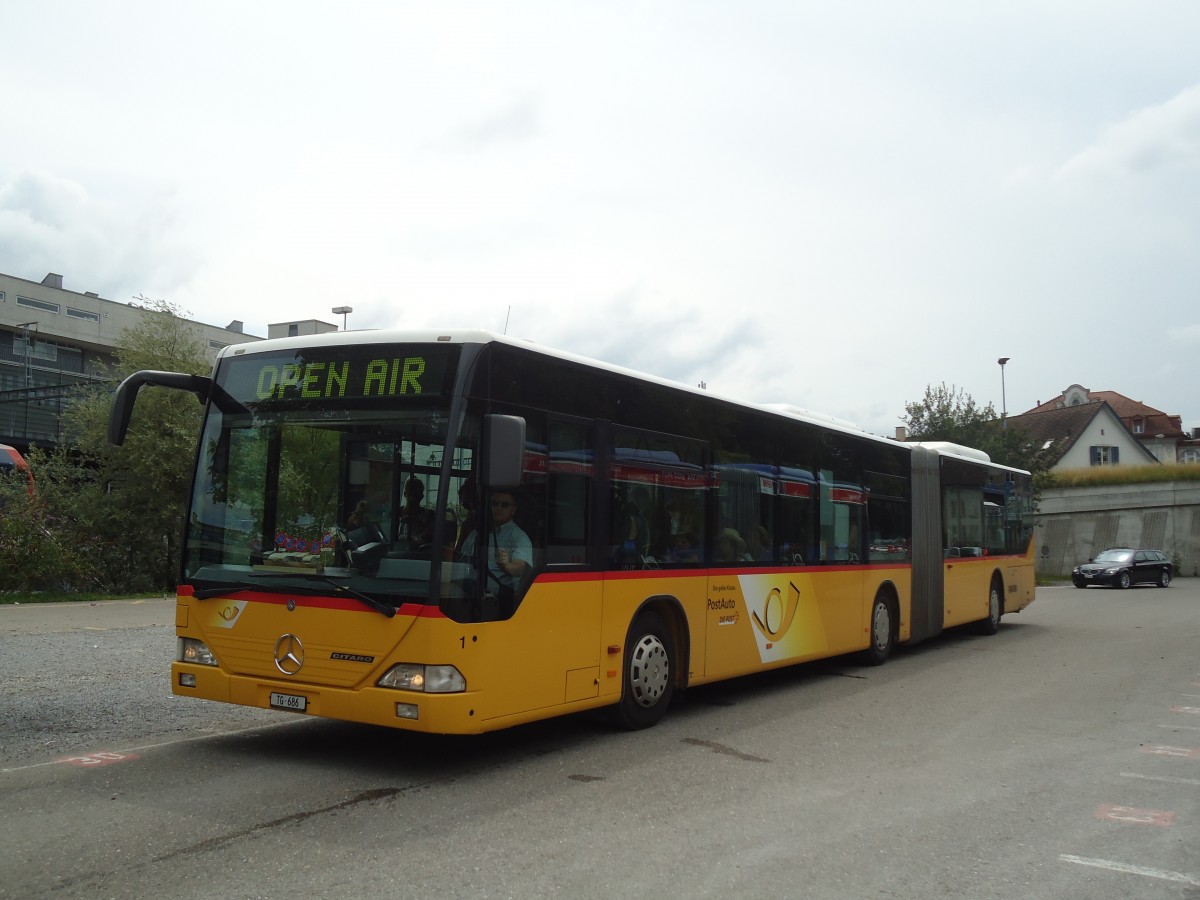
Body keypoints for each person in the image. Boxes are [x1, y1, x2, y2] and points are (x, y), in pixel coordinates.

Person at [460, 490, 533, 616]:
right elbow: (460, 562)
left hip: (501, 597)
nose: (498, 508)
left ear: (513, 510)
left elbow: (520, 568)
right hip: (470, 590)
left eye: (504, 505)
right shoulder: (475, 534)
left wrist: (506, 566)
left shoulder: (518, 536)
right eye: (495, 503)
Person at [399, 477, 434, 545]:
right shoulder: (397, 513)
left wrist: (416, 522)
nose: (413, 499)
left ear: (422, 496)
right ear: (405, 494)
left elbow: (431, 536)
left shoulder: (429, 515)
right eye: (410, 495)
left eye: (416, 495)